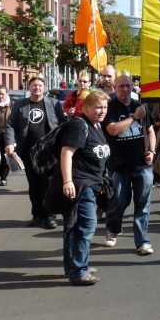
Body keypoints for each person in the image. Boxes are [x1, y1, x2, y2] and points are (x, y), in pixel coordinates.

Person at [55, 90, 111, 285]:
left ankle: (77, 266)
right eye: (97, 107)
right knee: (86, 226)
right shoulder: (80, 125)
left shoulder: (96, 125)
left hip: (91, 183)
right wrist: (67, 181)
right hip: (80, 184)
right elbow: (66, 153)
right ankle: (78, 271)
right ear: (85, 108)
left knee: (75, 226)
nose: (102, 111)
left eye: (104, 107)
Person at [103, 75, 156, 255]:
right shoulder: (110, 108)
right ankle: (113, 228)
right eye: (121, 86)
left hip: (142, 165)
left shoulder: (139, 107)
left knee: (143, 204)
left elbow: (150, 131)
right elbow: (113, 130)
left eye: (128, 86)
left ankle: (142, 242)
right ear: (115, 88)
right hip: (119, 165)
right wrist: (134, 117)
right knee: (119, 202)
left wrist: (152, 151)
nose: (125, 89)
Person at [5, 77, 66, 228]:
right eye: (34, 86)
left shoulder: (54, 104)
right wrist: (9, 143)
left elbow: (64, 124)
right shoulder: (20, 105)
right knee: (34, 185)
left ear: (44, 87)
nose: (37, 88)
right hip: (28, 152)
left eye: (39, 85)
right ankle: (37, 215)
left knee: (49, 184)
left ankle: (50, 216)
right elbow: (10, 125)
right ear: (29, 87)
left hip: (48, 152)